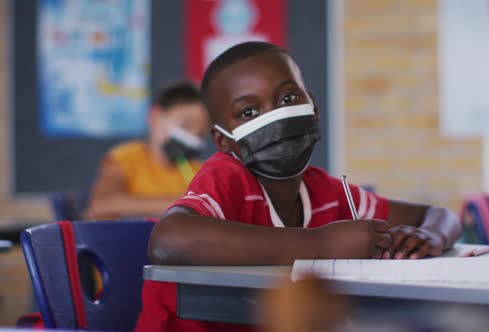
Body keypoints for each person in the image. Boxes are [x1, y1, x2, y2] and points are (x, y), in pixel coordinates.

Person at [135, 42, 462, 332]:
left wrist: (431, 236)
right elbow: (167, 240)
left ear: (313, 108)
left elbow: (437, 215)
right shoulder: (227, 176)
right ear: (223, 140)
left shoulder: (326, 191)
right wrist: (321, 244)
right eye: (248, 112)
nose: (276, 116)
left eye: (289, 97)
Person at [86, 81, 211, 219]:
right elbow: (101, 205)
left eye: (200, 134)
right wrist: (187, 203)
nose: (192, 137)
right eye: (185, 125)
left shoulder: (199, 172)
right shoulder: (124, 159)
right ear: (155, 117)